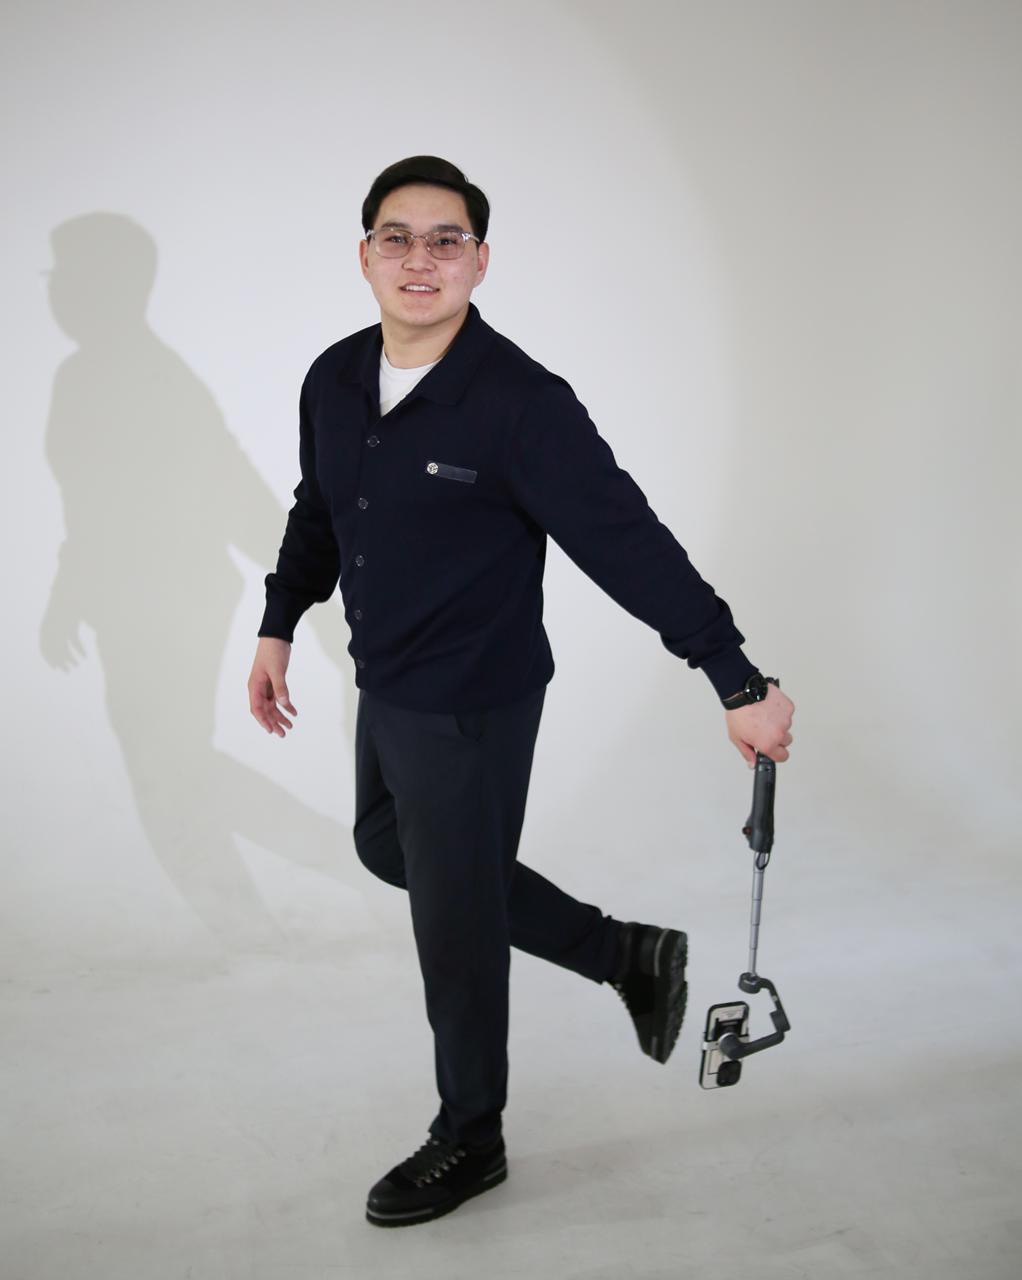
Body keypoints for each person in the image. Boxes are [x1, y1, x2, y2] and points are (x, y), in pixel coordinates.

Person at [247, 156, 795, 1228]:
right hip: (387, 679)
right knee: (387, 847)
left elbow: (626, 542)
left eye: (445, 240)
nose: (420, 258)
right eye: (397, 237)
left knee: (452, 919)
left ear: (479, 261)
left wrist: (734, 675)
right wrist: (277, 620)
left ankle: (471, 1134)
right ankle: (622, 952)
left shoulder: (519, 404)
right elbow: (320, 509)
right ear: (365, 255)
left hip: (473, 698)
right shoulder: (334, 377)